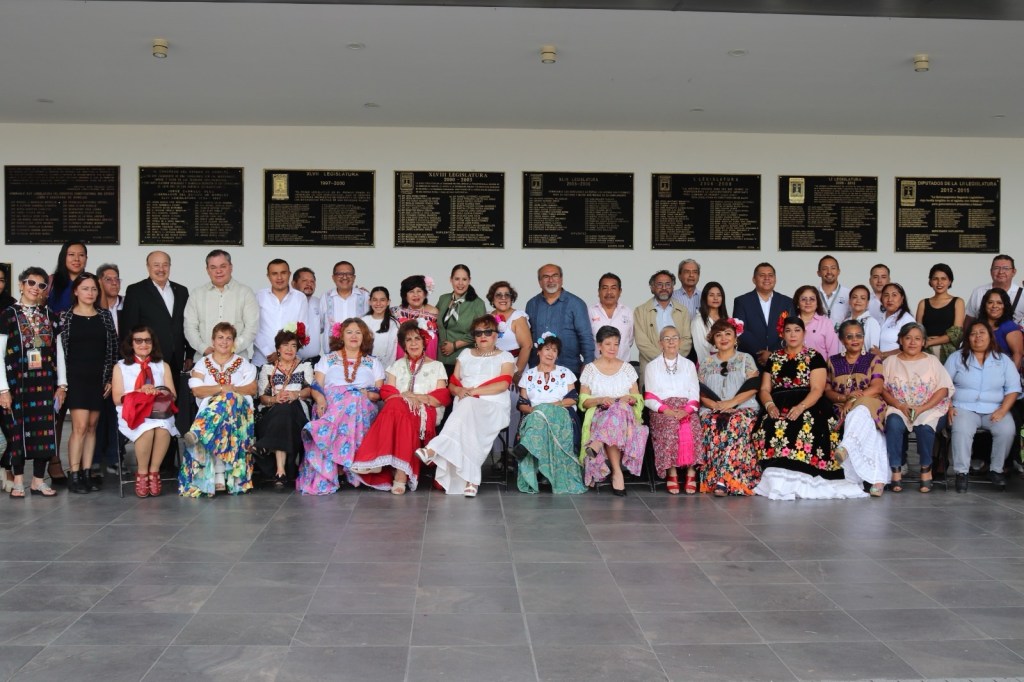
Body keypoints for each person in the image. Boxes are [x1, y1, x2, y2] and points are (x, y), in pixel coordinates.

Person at [753, 316, 866, 500]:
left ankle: (800, 475)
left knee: (804, 423)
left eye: (797, 330)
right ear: (782, 334)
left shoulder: (814, 356)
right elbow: (765, 389)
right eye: (788, 330)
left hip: (808, 403)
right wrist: (769, 405)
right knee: (771, 424)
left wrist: (800, 407)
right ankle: (775, 479)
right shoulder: (774, 357)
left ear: (804, 334)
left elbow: (817, 389)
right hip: (777, 403)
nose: (793, 335)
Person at [415, 314, 514, 497]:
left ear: (496, 334)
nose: (483, 336)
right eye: (478, 333)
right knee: (468, 410)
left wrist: (473, 392)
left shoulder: (505, 356)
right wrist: (459, 390)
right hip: (465, 405)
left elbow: (503, 384)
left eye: (487, 332)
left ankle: (434, 449)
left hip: (493, 406)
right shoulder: (465, 354)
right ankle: (471, 480)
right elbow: (453, 383)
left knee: (468, 405)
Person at [349, 321, 449, 495]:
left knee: (397, 406)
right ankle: (401, 475)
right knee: (396, 406)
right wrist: (405, 398)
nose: (413, 343)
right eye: (408, 340)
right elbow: (387, 393)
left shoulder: (437, 366)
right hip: (399, 412)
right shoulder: (396, 365)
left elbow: (440, 397)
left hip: (426, 412)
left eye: (417, 339)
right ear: (403, 344)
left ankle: (375, 459)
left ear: (424, 342)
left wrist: (414, 397)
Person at [298, 318, 382, 495]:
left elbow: (378, 393)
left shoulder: (373, 362)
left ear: (364, 337)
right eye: (349, 332)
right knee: (350, 400)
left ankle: (323, 431)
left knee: (354, 398)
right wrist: (320, 400)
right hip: (331, 403)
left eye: (358, 332)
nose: (353, 336)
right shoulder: (327, 359)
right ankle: (343, 464)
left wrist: (364, 394)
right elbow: (316, 386)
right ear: (341, 336)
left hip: (362, 404)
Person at [0, 267, 63, 498]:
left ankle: (38, 481)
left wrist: (62, 385)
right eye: (31, 283)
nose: (35, 288)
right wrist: (3, 389)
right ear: (21, 284)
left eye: (41, 285)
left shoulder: (50, 316)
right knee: (17, 431)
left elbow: (59, 353)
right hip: (16, 384)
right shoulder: (7, 315)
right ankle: (18, 480)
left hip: (45, 384)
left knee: (44, 432)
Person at [180, 323, 258, 497]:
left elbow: (252, 389)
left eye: (229, 338)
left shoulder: (243, 363)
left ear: (234, 342)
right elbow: (197, 390)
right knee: (224, 411)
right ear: (213, 341)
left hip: (240, 412)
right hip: (214, 411)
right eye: (220, 338)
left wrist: (231, 391)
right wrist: (223, 389)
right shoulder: (203, 364)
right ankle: (220, 475)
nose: (224, 342)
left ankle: (198, 432)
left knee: (229, 399)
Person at [59, 273, 118, 494]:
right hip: (75, 379)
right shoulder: (66, 317)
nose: (90, 293)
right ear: (76, 291)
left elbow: (113, 348)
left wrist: (110, 378)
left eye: (93, 289)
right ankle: (74, 474)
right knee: (80, 427)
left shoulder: (104, 316)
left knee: (92, 427)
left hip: (98, 379)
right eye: (85, 288)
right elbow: (60, 351)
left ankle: (86, 473)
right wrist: (62, 383)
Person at [945, 321, 1021, 493]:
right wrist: (948, 406)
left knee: (1007, 430)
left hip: (994, 409)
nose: (977, 336)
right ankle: (962, 473)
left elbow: (1013, 389)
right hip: (963, 407)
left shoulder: (1003, 360)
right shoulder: (956, 358)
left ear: (990, 337)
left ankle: (996, 470)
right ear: (967, 338)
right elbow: (944, 385)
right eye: (973, 333)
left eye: (982, 333)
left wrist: (1003, 410)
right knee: (961, 429)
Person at [882, 322, 954, 493]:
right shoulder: (890, 361)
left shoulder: (932, 361)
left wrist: (923, 408)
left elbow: (943, 389)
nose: (912, 342)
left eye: (917, 338)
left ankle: (926, 468)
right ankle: (896, 470)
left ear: (923, 342)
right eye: (908, 338)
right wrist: (899, 405)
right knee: (893, 423)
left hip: (929, 408)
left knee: (924, 427)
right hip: (899, 406)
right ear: (901, 340)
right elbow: (881, 388)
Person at [579, 325, 648, 496]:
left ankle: (598, 442)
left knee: (619, 408)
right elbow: (583, 402)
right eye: (608, 344)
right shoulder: (590, 369)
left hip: (626, 416)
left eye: (616, 344)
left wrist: (630, 399)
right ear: (599, 346)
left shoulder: (627, 369)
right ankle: (617, 473)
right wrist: (600, 399)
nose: (612, 348)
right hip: (600, 414)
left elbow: (638, 399)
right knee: (614, 416)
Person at [825, 320, 890, 497]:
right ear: (842, 340)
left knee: (860, 410)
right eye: (850, 336)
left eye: (859, 336)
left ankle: (846, 447)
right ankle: (878, 480)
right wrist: (844, 399)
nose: (855, 340)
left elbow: (877, 387)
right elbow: (827, 391)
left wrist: (853, 400)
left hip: (871, 403)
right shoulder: (833, 361)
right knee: (872, 430)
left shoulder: (873, 359)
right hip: (842, 407)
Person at [111, 325, 179, 498]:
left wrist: (158, 391)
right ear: (131, 343)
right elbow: (117, 398)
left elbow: (173, 395)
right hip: (131, 411)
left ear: (153, 343)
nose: (143, 344)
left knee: (163, 429)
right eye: (138, 341)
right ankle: (142, 473)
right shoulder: (121, 367)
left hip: (158, 411)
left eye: (147, 340)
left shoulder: (162, 365)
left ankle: (153, 472)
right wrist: (139, 392)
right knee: (146, 429)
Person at [697, 318, 761, 496]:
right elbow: (700, 392)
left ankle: (726, 480)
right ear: (713, 339)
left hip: (743, 408)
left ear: (735, 337)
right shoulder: (706, 362)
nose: (723, 338)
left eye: (728, 334)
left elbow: (753, 387)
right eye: (718, 335)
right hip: (713, 409)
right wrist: (716, 406)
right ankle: (715, 478)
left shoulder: (745, 359)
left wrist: (731, 404)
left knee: (735, 422)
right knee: (711, 423)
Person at [514, 334, 585, 494]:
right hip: (535, 414)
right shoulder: (528, 375)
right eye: (547, 349)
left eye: (554, 350)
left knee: (545, 411)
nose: (551, 353)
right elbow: (522, 404)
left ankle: (526, 446)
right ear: (538, 351)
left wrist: (551, 406)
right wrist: (536, 411)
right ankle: (544, 471)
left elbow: (573, 399)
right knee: (539, 415)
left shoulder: (566, 373)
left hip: (561, 413)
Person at [253, 328, 313, 490]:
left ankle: (265, 446)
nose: (289, 349)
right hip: (272, 413)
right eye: (285, 345)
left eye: (293, 346)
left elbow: (309, 390)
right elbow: (262, 397)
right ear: (278, 349)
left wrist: (296, 394)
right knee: (283, 408)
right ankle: (281, 471)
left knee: (287, 407)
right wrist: (275, 399)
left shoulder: (304, 366)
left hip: (298, 412)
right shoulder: (267, 368)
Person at [644, 326, 700, 494]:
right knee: (670, 425)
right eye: (666, 339)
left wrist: (687, 410)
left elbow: (694, 394)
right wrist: (666, 410)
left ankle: (691, 472)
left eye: (674, 338)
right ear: (660, 343)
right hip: (662, 410)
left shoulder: (689, 365)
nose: (671, 342)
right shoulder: (652, 366)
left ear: (680, 342)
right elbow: (649, 397)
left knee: (694, 425)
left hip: (686, 407)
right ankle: (672, 472)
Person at [120, 251, 191, 376]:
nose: (161, 269)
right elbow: (129, 327)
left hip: (176, 358)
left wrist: (189, 354)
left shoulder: (181, 291)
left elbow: (188, 323)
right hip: (147, 358)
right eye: (156, 265)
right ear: (148, 267)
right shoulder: (135, 291)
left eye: (165, 265)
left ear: (170, 266)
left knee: (173, 389)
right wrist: (130, 357)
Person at [184, 249, 259, 361]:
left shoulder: (245, 293)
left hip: (237, 361)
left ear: (231, 267)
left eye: (223, 266)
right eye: (213, 267)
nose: (218, 271)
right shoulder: (197, 294)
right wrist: (204, 349)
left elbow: (251, 328)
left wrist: (231, 349)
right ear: (207, 270)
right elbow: (189, 327)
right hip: (204, 360)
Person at [524, 264, 593, 376]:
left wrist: (588, 363)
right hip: (537, 371)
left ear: (561, 279)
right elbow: (527, 337)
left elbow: (585, 336)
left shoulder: (576, 304)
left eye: (555, 276)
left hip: (569, 370)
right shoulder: (532, 304)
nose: (551, 280)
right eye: (546, 277)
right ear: (539, 282)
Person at [733, 262, 795, 369]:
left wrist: (772, 353)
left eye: (770, 275)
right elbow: (740, 330)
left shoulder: (787, 302)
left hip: (780, 359)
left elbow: (790, 330)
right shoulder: (742, 301)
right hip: (749, 360)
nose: (767, 278)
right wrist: (761, 353)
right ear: (754, 279)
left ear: (775, 279)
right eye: (762, 275)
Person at [93, 263, 124, 476]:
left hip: (123, 366)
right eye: (108, 279)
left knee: (118, 412)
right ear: (99, 282)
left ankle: (115, 457)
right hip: (99, 368)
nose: (114, 283)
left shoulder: (127, 305)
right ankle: (95, 459)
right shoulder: (92, 308)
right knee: (98, 414)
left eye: (116, 279)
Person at [634, 270, 693, 379]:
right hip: (650, 368)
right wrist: (663, 360)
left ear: (673, 287)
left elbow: (687, 340)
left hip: (678, 368)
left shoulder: (683, 311)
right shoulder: (640, 311)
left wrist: (673, 360)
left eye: (668, 284)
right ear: (652, 288)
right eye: (659, 284)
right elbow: (642, 342)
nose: (664, 288)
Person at [252, 259, 309, 367]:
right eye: (274, 274)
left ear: (289, 274)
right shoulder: (259, 297)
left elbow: (303, 329)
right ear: (268, 276)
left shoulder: (300, 298)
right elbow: (254, 329)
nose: (279, 277)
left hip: (290, 362)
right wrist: (268, 353)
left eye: (283, 273)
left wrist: (282, 354)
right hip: (262, 360)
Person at [437, 264, 487, 375]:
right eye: (457, 279)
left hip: (464, 359)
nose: (460, 283)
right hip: (440, 359)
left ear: (469, 281)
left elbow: (479, 332)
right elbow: (433, 322)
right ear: (451, 280)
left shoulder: (477, 303)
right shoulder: (443, 299)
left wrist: (454, 346)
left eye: (464, 279)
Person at [915, 263, 965, 363]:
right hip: (925, 352)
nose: (939, 282)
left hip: (948, 352)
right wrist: (926, 343)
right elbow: (918, 331)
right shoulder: (923, 303)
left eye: (943, 279)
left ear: (950, 281)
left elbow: (956, 334)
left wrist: (931, 342)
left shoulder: (958, 302)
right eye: (935, 279)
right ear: (930, 281)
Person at [320, 261, 370, 353]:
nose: (344, 277)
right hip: (332, 354)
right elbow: (321, 325)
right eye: (340, 274)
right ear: (333, 277)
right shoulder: (326, 297)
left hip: (359, 353)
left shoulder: (365, 296)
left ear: (354, 277)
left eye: (349, 274)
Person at [965, 254, 1024, 328]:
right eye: (996, 268)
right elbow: (969, 321)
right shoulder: (979, 292)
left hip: (1014, 335)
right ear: (991, 271)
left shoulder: (1022, 294)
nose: (1001, 272)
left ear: (1014, 272)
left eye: (1006, 268)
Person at [393, 275, 439, 360]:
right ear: (405, 295)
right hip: (402, 361)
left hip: (427, 361)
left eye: (419, 291)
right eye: (411, 291)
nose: (415, 295)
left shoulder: (434, 313)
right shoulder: (397, 312)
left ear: (425, 293)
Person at [589, 273, 633, 362]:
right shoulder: (590, 312)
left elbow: (630, 340)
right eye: (605, 288)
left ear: (620, 291)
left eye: (613, 288)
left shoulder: (627, 312)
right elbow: (586, 340)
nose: (609, 292)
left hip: (623, 365)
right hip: (597, 365)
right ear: (599, 291)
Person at [979, 288, 1024, 370]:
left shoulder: (1010, 327)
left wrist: (1011, 376)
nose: (994, 306)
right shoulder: (977, 325)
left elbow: (1018, 355)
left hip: (1003, 372)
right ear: (985, 305)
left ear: (1005, 306)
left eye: (999, 303)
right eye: (990, 302)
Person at [793, 285, 840, 359]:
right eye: (803, 299)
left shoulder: (826, 323)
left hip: (821, 366)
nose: (808, 302)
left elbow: (833, 352)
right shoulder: (790, 322)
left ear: (817, 303)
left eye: (812, 299)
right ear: (797, 303)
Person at [690, 281, 728, 365]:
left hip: (728, 363)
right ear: (705, 298)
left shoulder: (727, 319)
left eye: (719, 295)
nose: (715, 298)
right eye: (711, 295)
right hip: (709, 365)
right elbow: (701, 349)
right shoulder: (698, 321)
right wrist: (711, 366)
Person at [362, 286, 399, 369]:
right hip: (364, 368)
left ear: (388, 302)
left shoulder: (394, 324)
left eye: (382, 300)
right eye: (375, 300)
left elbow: (393, 352)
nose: (378, 303)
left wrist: (386, 371)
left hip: (387, 369)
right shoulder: (363, 321)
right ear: (369, 302)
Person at [292, 267, 322, 364]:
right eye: (304, 281)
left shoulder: (319, 302)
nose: (309, 284)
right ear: (293, 284)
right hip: (292, 362)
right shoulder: (287, 304)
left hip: (315, 361)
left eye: (312, 281)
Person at [47, 241, 87, 314]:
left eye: (81, 255)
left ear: (86, 258)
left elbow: (103, 314)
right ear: (63, 257)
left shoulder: (93, 283)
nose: (76, 259)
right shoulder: (50, 281)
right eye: (71, 254)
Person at [877, 283, 916, 357]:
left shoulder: (907, 319)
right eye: (886, 295)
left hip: (898, 362)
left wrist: (883, 354)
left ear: (902, 299)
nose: (890, 299)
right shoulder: (879, 318)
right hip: (879, 362)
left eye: (894, 295)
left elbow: (910, 347)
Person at [845, 285, 881, 355]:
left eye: (863, 298)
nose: (858, 301)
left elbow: (873, 351)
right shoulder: (845, 322)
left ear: (867, 303)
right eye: (855, 297)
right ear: (849, 301)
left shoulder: (871, 322)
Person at [816, 255, 849, 327]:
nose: (829, 272)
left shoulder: (848, 294)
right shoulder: (813, 294)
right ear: (818, 273)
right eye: (825, 269)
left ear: (838, 271)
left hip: (841, 334)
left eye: (833, 268)